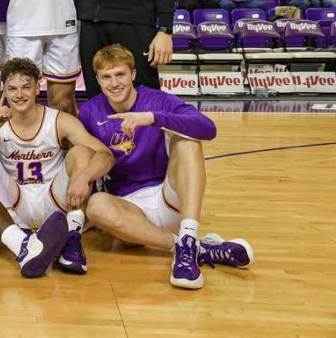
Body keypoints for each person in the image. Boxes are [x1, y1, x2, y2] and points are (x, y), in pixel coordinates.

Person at [79, 45, 254, 289]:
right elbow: (82, 157)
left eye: (120, 74)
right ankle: (191, 249)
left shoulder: (156, 100)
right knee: (97, 205)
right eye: (106, 77)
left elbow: (208, 128)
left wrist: (153, 118)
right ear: (97, 79)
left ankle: (189, 234)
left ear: (133, 74)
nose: (114, 83)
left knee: (188, 141)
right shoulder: (89, 111)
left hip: (168, 196)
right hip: (130, 211)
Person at [0, 57, 114, 277]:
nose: (19, 94)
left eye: (26, 87)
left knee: (82, 152)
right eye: (12, 89)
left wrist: (84, 177)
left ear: (37, 86)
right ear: (3, 88)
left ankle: (71, 239)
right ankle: (22, 241)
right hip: (14, 204)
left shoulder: (59, 120)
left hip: (55, 200)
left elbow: (105, 155)